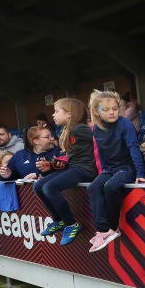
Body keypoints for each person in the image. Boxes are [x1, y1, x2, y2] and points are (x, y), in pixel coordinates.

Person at [86, 90, 145, 253]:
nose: (111, 112)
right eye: (106, 110)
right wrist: (103, 172)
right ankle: (102, 230)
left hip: (127, 168)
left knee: (110, 187)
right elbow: (102, 152)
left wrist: (140, 173)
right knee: (93, 187)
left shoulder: (125, 123)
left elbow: (134, 148)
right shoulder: (96, 129)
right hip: (110, 169)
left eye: (114, 108)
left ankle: (112, 228)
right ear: (97, 112)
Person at [33, 98, 98, 246]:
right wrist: (54, 163)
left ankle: (71, 224)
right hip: (74, 167)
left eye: (56, 111)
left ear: (69, 114)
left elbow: (99, 139)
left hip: (84, 169)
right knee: (38, 186)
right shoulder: (70, 129)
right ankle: (59, 220)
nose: (53, 115)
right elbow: (73, 155)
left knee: (50, 187)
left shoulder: (79, 129)